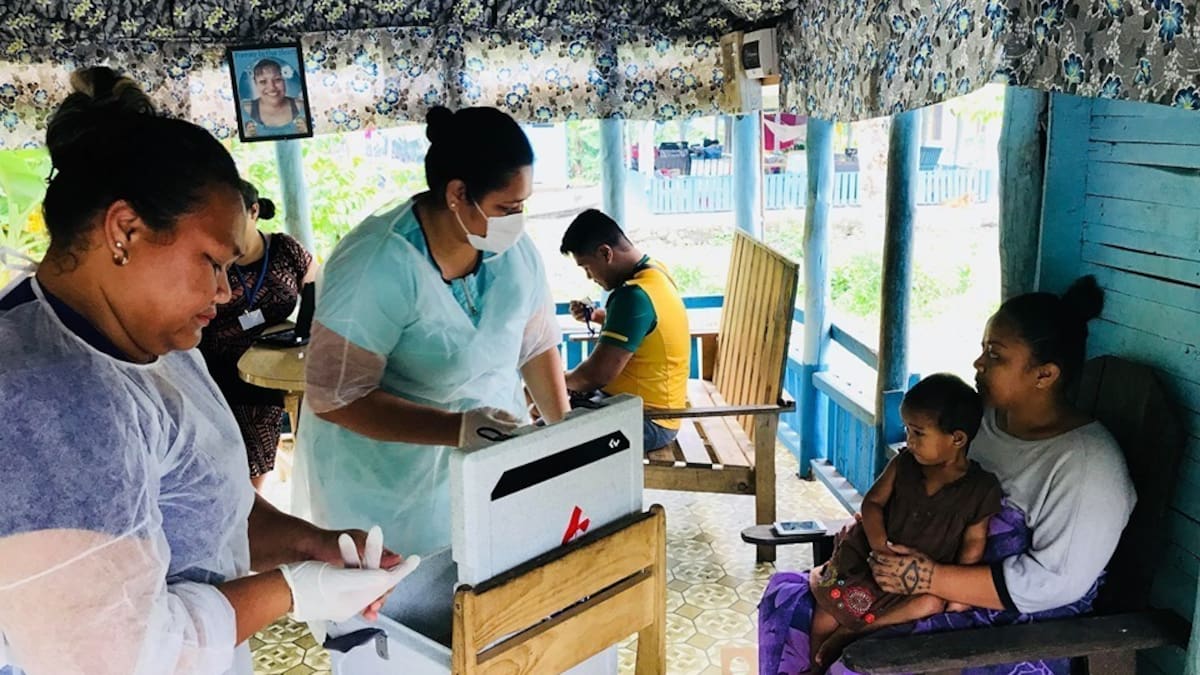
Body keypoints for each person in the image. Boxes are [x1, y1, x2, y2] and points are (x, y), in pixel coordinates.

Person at [0, 67, 416, 675]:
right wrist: (294, 591)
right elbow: (115, 657)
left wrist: (311, 545)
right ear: (125, 230)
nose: (224, 292)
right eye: (212, 263)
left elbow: (213, 504)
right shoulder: (43, 396)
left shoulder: (157, 341)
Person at [759, 275, 1136, 675]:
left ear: (1044, 375)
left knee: (858, 660)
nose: (978, 364)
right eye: (983, 349)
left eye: (995, 355)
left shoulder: (1086, 465)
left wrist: (931, 578)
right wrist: (879, 540)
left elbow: (1052, 584)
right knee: (791, 603)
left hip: (1007, 624)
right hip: (921, 579)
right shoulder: (981, 423)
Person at [293, 105, 571, 558]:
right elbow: (336, 396)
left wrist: (566, 436)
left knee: (491, 575)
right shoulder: (377, 264)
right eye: (507, 208)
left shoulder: (513, 253)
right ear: (458, 193)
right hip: (387, 485)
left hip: (488, 458)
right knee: (404, 589)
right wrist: (457, 428)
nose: (517, 220)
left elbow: (536, 343)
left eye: (522, 206)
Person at [807, 374, 1001, 670]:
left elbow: (974, 542)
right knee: (824, 617)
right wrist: (879, 548)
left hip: (919, 580)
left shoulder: (981, 489)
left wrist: (958, 596)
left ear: (957, 439)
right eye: (908, 430)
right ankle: (815, 668)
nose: (909, 440)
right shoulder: (904, 463)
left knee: (931, 603)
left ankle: (853, 632)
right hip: (871, 563)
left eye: (918, 433)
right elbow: (872, 504)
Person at [198, 181, 316, 489]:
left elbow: (316, 285)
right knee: (225, 453)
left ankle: (254, 501)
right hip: (216, 362)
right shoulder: (214, 255)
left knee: (262, 430)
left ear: (254, 212)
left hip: (270, 359)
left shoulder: (285, 249)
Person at [559, 209, 690, 451]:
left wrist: (552, 382)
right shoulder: (655, 272)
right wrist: (598, 317)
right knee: (549, 423)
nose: (589, 277)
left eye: (587, 267)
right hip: (644, 410)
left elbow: (595, 375)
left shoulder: (632, 297)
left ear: (605, 253)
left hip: (647, 421)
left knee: (542, 445)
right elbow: (646, 326)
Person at [241, 59, 307, 138]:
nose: (272, 87)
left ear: (284, 80)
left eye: (277, 80)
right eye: (263, 82)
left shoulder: (301, 106)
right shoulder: (246, 109)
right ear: (255, 84)